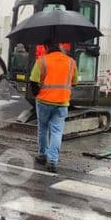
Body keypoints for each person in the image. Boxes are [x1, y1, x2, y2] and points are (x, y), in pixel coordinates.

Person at [30, 41, 78, 173]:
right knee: (56, 132)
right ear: (60, 48)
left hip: (44, 101)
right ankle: (52, 161)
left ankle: (42, 155)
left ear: (46, 47)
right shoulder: (71, 62)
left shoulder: (42, 61)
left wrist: (37, 93)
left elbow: (33, 81)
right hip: (62, 102)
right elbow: (75, 82)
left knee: (43, 128)